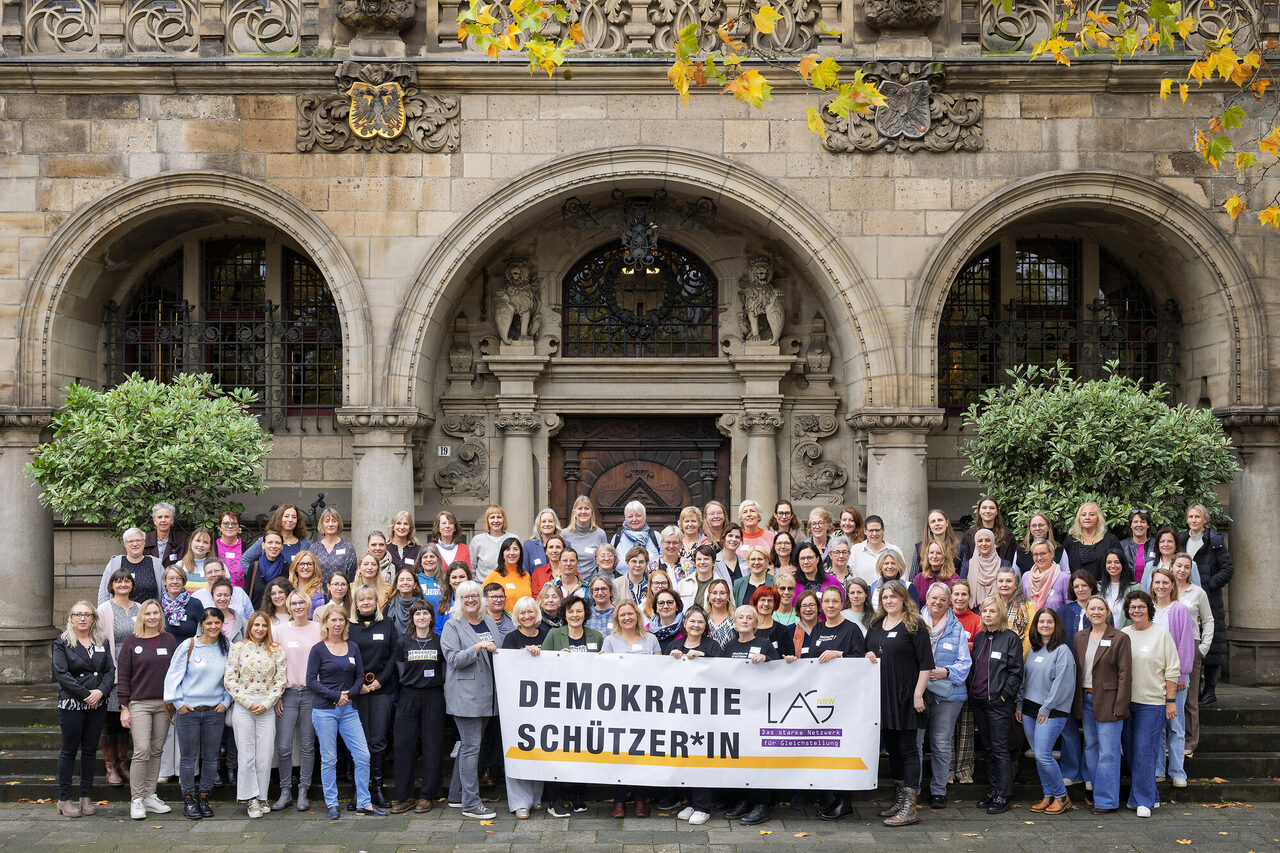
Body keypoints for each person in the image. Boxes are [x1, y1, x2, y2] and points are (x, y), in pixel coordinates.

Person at [865, 580, 934, 827]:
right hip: (882, 697)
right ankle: (899, 799)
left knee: (908, 750)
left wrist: (918, 695)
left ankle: (910, 807)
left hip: (906, 697)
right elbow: (868, 652)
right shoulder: (874, 625)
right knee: (892, 749)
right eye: (885, 597)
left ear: (904, 599)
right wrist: (868, 655)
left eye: (894, 597)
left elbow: (926, 664)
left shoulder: (915, 626)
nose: (889, 601)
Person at [308, 602, 386, 819]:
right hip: (324, 711)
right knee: (329, 758)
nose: (338, 623)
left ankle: (364, 803)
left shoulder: (352, 647)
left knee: (363, 755)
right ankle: (332, 803)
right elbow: (310, 681)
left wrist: (348, 695)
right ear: (325, 623)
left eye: (341, 620)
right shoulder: (318, 649)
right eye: (333, 619)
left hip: (349, 709)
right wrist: (335, 696)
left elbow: (360, 676)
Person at [164, 607, 231, 821]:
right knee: (188, 758)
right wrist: (178, 702)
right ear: (202, 624)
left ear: (222, 625)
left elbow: (233, 676)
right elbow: (173, 675)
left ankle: (204, 796)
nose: (213, 627)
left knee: (211, 758)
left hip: (214, 712)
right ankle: (188, 799)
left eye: (217, 623)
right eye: (209, 623)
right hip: (189, 711)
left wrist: (226, 701)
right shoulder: (189, 645)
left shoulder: (227, 646)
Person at [440, 581, 500, 820]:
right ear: (459, 600)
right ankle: (471, 804)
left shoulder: (488, 622)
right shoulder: (452, 626)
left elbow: (500, 651)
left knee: (468, 746)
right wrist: (477, 647)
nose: (471, 599)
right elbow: (453, 659)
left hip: (487, 696)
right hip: (465, 697)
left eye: (475, 595)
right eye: (465, 596)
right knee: (472, 748)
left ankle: (456, 795)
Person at [718, 605, 782, 825]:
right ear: (734, 623)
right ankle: (744, 800)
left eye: (749, 618)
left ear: (756, 623)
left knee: (758, 756)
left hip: (759, 710)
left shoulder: (764, 644)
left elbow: (782, 673)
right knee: (740, 757)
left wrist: (767, 659)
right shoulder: (729, 646)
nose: (744, 620)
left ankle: (761, 804)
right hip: (736, 711)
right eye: (740, 617)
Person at [1121, 590, 1181, 818]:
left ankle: (1142, 800)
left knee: (1144, 751)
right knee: (1131, 752)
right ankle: (1150, 796)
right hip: (1126, 704)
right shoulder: (1123, 634)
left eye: (1141, 607)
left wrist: (1171, 701)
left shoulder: (1161, 634)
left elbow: (1172, 670)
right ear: (1128, 611)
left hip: (1152, 704)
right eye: (1133, 607)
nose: (1136, 610)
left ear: (1149, 609)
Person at [540, 596, 601, 817]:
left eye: (579, 611)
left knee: (582, 750)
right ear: (564, 614)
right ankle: (555, 799)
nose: (575, 615)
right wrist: (555, 658)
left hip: (587, 704)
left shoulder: (596, 637)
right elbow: (540, 666)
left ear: (585, 614)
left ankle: (578, 796)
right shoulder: (554, 635)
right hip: (560, 703)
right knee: (558, 751)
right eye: (570, 611)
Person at [53, 601, 114, 818]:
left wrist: (100, 692)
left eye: (87, 614)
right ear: (70, 618)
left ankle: (86, 797)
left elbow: (109, 670)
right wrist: (87, 694)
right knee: (69, 750)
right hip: (73, 703)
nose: (82, 618)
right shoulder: (62, 643)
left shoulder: (101, 641)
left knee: (90, 749)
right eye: (78, 614)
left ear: (93, 618)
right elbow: (62, 674)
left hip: (97, 702)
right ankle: (64, 799)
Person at [117, 599, 177, 819]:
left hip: (163, 704)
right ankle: (137, 799)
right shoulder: (132, 642)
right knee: (142, 750)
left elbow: (176, 672)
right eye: (148, 613)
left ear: (161, 615)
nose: (152, 617)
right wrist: (125, 706)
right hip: (139, 704)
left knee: (157, 749)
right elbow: (123, 677)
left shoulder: (169, 640)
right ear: (142, 616)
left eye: (156, 613)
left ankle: (150, 796)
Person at [601, 599, 661, 818]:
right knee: (620, 754)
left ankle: (640, 800)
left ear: (637, 615)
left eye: (631, 614)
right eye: (622, 614)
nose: (627, 618)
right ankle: (618, 801)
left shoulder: (651, 640)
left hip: (645, 707)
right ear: (617, 618)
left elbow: (660, 671)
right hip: (619, 707)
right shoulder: (610, 641)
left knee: (641, 755)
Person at [1072, 595, 1131, 815]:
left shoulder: (1120, 637)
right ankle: (1098, 795)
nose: (1096, 612)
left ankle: (1107, 801)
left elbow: (1125, 675)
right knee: (1091, 748)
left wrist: (1121, 705)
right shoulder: (1080, 637)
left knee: (1109, 752)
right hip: (1085, 698)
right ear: (1086, 613)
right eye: (1092, 608)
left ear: (1107, 612)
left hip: (1109, 700)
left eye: (1100, 608)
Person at [224, 610, 286, 818]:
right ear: (249, 627)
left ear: (268, 628)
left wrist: (268, 703)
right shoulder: (238, 648)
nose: (260, 629)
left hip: (266, 706)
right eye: (256, 625)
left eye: (264, 625)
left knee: (265, 754)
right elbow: (230, 680)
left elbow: (280, 681)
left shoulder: (276, 649)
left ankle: (262, 796)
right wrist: (248, 703)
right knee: (247, 754)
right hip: (244, 706)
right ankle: (250, 798)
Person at [1017, 608, 1077, 815]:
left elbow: (1062, 684)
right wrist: (1019, 705)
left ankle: (1062, 796)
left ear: (1056, 625)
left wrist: (1047, 707)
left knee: (1043, 755)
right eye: (1041, 621)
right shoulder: (1034, 650)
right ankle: (1047, 795)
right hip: (1029, 710)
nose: (1045, 625)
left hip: (1051, 711)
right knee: (1039, 755)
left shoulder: (1062, 651)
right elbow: (1025, 680)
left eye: (1049, 622)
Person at [966, 595, 1022, 816]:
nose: (988, 615)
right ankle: (993, 790)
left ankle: (1003, 794)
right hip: (979, 701)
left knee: (1000, 749)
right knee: (988, 749)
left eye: (992, 611)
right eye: (985, 611)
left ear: (1000, 613)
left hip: (998, 704)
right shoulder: (979, 638)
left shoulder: (1010, 638)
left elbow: (1016, 672)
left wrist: (1004, 696)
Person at [918, 582, 971, 811]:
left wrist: (947, 672)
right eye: (934, 598)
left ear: (948, 602)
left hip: (948, 695)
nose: (937, 602)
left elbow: (965, 663)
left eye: (942, 599)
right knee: (916, 743)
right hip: (918, 692)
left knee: (940, 743)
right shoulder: (915, 624)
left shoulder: (957, 627)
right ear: (926, 599)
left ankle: (938, 791)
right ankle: (914, 790)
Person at [391, 600, 445, 815]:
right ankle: (405, 796)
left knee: (432, 747)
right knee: (404, 747)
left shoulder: (440, 642)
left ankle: (428, 795)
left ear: (432, 617)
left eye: (425, 613)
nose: (421, 617)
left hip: (433, 697)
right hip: (408, 697)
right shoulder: (403, 642)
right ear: (411, 618)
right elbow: (396, 672)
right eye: (417, 614)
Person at [271, 589, 322, 812]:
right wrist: (276, 695)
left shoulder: (319, 629)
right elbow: (273, 664)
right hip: (288, 694)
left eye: (302, 602)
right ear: (289, 607)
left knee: (307, 745)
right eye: (294, 603)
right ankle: (285, 792)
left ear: (308, 605)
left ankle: (303, 790)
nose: (298, 606)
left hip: (312, 693)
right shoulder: (279, 631)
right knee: (283, 746)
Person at [1179, 503, 1234, 706]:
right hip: (1185, 597)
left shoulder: (1214, 541)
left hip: (1209, 598)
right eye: (1191, 516)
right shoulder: (1182, 540)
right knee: (1191, 639)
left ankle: (1210, 690)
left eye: (1197, 517)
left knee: (1212, 643)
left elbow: (1227, 568)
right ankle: (1193, 688)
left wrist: (1209, 584)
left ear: (1205, 520)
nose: (1193, 520)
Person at [349, 584, 397, 810]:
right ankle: (359, 791)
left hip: (382, 691)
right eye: (361, 599)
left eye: (370, 598)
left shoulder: (387, 624)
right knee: (359, 743)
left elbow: (393, 657)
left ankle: (377, 788)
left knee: (378, 741)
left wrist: (378, 682)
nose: (366, 602)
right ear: (356, 603)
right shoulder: (349, 627)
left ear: (377, 601)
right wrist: (358, 685)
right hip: (356, 692)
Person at [1148, 566, 1195, 787]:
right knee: (1156, 726)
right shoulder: (1148, 610)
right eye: (1157, 583)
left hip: (1174, 677)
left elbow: (1185, 644)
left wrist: (1181, 675)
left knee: (1175, 726)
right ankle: (1158, 769)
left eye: (1165, 583)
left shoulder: (1179, 610)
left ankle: (1177, 771)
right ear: (1152, 585)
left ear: (1172, 585)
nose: (1161, 586)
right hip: (1151, 678)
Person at [96, 569, 138, 787]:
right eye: (118, 581)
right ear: (111, 585)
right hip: (111, 670)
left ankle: (123, 764)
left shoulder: (139, 608)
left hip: (135, 672)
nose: (123, 584)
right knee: (110, 721)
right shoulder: (104, 609)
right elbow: (98, 641)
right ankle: (110, 766)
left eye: (127, 580)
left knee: (126, 722)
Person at [1054, 569, 1097, 786]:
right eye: (1076, 586)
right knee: (1068, 725)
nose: (1080, 589)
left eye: (1084, 585)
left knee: (1090, 728)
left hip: (1092, 676)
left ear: (1091, 587)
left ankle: (1090, 773)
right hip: (1067, 674)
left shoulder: (1099, 609)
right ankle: (1071, 771)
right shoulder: (1064, 611)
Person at [1172, 551, 1213, 757]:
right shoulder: (1164, 590)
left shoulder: (1198, 593)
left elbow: (1208, 620)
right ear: (1172, 567)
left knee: (1190, 697)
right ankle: (1170, 739)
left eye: (1186, 567)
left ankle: (1190, 741)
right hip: (1166, 647)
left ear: (1191, 570)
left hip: (1191, 646)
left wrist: (1203, 647)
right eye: (1179, 565)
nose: (1182, 570)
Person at [948, 580, 980, 786]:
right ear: (950, 597)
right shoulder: (945, 617)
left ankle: (964, 769)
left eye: (964, 594)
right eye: (956, 594)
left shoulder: (977, 620)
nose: (959, 598)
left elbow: (977, 647)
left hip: (968, 678)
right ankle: (948, 768)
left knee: (966, 725)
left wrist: (959, 645)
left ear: (970, 597)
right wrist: (965, 644)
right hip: (945, 677)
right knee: (947, 726)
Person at [240, 504, 312, 584]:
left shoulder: (305, 544)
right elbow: (244, 560)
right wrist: (257, 579)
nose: (290, 520)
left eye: (294, 517)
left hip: (296, 592)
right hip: (269, 591)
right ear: (279, 518)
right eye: (286, 516)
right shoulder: (265, 541)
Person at [97, 527, 164, 605]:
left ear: (144, 542)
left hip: (149, 614)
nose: (135, 544)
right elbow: (104, 592)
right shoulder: (115, 563)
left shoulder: (155, 563)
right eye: (130, 541)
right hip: (120, 614)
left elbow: (164, 591)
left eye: (138, 540)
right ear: (125, 544)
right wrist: (102, 614)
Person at [1061, 502, 1123, 581]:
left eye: (1092, 514)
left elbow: (1120, 565)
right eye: (1083, 515)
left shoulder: (1110, 540)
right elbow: (1062, 568)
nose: (1087, 517)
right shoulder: (1070, 541)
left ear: (1098, 518)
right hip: (1077, 589)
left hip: (1104, 588)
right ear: (1079, 519)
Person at [483, 537, 532, 613]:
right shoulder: (494, 575)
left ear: (520, 553)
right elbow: (482, 600)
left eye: (515, 549)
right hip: (502, 622)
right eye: (508, 549)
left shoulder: (526, 575)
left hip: (525, 620)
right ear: (502, 553)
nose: (512, 553)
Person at [960, 496, 1015, 563]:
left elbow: (1010, 562)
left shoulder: (1007, 535)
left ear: (997, 512)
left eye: (992, 508)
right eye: (984, 508)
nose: (988, 511)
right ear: (979, 511)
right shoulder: (968, 536)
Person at [850, 515, 904, 582]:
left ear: (883, 531)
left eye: (877, 530)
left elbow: (903, 576)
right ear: (865, 531)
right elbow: (850, 576)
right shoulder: (855, 550)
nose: (874, 534)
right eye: (871, 530)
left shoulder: (895, 550)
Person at [1023, 538, 1071, 612]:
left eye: (1043, 554)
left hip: (1056, 622)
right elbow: (1022, 605)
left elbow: (1070, 608)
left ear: (1052, 554)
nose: (1039, 558)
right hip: (1031, 623)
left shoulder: (1064, 578)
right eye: (1035, 554)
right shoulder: (1026, 577)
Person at [912, 509, 964, 577]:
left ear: (947, 523)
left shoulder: (960, 549)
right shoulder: (919, 548)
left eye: (940, 520)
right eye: (933, 521)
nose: (937, 524)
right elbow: (913, 578)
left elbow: (963, 579)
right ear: (929, 527)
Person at [245, 530, 289, 611]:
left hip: (281, 618)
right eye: (270, 542)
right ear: (263, 545)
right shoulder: (254, 567)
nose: (274, 546)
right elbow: (246, 597)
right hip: (258, 619)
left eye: (277, 543)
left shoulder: (287, 568)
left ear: (282, 546)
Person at [996, 566, 1035, 656]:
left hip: (1016, 656)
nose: (1004, 584)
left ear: (1016, 585)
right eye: (1001, 581)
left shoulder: (1028, 606)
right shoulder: (991, 603)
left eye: (1009, 581)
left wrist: (1018, 660)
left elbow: (1028, 638)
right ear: (996, 584)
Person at [313, 507, 357, 585]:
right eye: (327, 521)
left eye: (334, 521)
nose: (330, 524)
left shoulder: (348, 547)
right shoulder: (314, 548)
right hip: (318, 593)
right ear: (322, 524)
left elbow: (352, 574)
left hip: (341, 592)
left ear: (338, 523)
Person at [965, 528, 1009, 605]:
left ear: (992, 542)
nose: (984, 544)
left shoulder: (1004, 564)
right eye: (980, 541)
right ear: (976, 543)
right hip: (974, 611)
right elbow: (963, 590)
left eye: (988, 540)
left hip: (999, 609)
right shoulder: (968, 565)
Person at [160, 566, 204, 641]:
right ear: (165, 581)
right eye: (171, 578)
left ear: (183, 582)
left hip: (189, 650)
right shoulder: (158, 606)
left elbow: (203, 632)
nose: (175, 581)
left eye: (178, 578)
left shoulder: (195, 604)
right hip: (164, 651)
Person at [751, 585, 795, 658]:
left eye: (770, 601)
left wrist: (789, 658)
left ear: (775, 604)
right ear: (756, 602)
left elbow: (790, 655)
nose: (766, 604)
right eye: (762, 600)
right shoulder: (747, 628)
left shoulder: (783, 631)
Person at [1100, 547, 1139, 628]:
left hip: (1128, 635)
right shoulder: (1098, 587)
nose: (1113, 566)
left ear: (1123, 564)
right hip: (1103, 635)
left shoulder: (1135, 588)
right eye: (1109, 562)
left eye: (1117, 562)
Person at [469, 504, 510, 581]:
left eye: (499, 517)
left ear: (503, 519)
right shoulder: (477, 540)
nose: (496, 521)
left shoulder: (512, 539)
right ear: (487, 520)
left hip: (508, 586)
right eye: (492, 517)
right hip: (483, 587)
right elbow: (471, 567)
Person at [384, 567, 425, 636]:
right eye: (401, 580)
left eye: (409, 580)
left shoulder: (422, 606)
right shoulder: (389, 606)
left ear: (415, 585)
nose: (405, 583)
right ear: (397, 585)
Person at [1119, 509, 1156, 586]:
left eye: (1142, 522)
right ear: (1131, 525)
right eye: (1135, 522)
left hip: (1152, 589)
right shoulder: (1122, 546)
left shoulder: (1156, 545)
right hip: (1128, 590)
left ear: (1148, 525)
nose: (1139, 525)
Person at [144, 502, 187, 568]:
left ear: (172, 521)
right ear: (154, 521)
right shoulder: (145, 541)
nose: (163, 520)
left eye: (166, 517)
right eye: (160, 517)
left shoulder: (180, 543)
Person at [522, 508, 563, 577]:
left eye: (550, 521)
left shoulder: (565, 544)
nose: (547, 524)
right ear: (539, 525)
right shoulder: (528, 545)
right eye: (543, 521)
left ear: (555, 524)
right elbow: (525, 573)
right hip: (536, 586)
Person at [437, 562, 471, 635]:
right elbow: (438, 629)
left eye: (462, 577)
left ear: (468, 578)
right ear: (449, 581)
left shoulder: (475, 601)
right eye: (454, 577)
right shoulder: (442, 602)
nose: (458, 580)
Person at [287, 551, 325, 616]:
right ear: (296, 567)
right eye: (301, 564)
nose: (305, 567)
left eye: (309, 564)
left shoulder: (323, 588)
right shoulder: (288, 587)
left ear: (314, 567)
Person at [386, 510, 422, 578]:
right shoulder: (385, 549)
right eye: (398, 523)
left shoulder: (418, 550)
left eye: (405, 524)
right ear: (393, 526)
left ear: (410, 528)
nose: (402, 527)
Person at [215, 511, 246, 588]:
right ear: (220, 527)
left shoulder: (246, 548)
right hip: (216, 594)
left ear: (238, 527)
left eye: (234, 524)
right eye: (226, 523)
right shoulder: (212, 547)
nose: (230, 526)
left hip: (240, 594)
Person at [529, 534, 565, 599]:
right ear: (546, 551)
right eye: (551, 547)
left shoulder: (571, 572)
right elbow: (535, 598)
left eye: (558, 547)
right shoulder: (538, 573)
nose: (554, 551)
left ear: (563, 551)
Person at [704, 578, 735, 648]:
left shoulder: (736, 618)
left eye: (722, 593)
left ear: (728, 596)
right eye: (714, 593)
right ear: (709, 595)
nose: (718, 597)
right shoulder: (703, 617)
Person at [415, 545, 446, 614]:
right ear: (420, 561)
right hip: (422, 621)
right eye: (425, 557)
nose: (428, 560)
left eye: (432, 556)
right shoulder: (415, 579)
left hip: (442, 622)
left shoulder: (445, 579)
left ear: (438, 560)